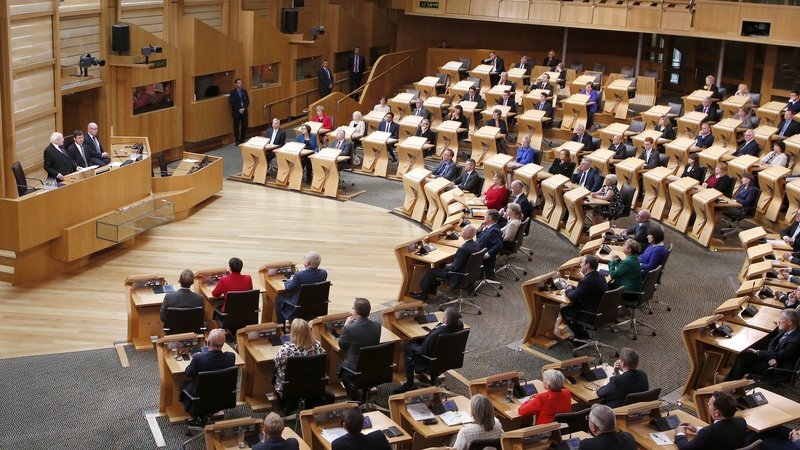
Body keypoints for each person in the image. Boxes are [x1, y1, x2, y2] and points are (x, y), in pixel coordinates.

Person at [394, 307, 464, 392]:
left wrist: (413, 346)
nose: (442, 317)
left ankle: (409, 384)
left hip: (430, 360)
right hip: (448, 358)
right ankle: (434, 377)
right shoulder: (460, 325)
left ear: (446, 321)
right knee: (423, 343)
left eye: (443, 316)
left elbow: (424, 350)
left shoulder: (436, 334)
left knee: (408, 347)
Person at [724, 309, 800, 381]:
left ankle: (728, 387)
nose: (779, 321)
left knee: (745, 362)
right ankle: (730, 384)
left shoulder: (795, 341)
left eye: (781, 319)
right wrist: (771, 356)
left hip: (778, 368)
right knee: (743, 356)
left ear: (789, 322)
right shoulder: (790, 329)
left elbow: (777, 356)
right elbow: (773, 342)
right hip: (773, 358)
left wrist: (756, 352)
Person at [179, 328, 235, 423]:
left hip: (199, 397)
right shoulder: (231, 357)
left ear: (208, 343)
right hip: (221, 396)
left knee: (183, 385)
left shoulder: (199, 359)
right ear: (223, 343)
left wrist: (196, 358)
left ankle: (197, 414)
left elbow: (188, 373)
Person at [410, 226, 480, 300]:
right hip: (468, 273)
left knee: (431, 271)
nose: (461, 229)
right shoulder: (475, 244)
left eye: (463, 230)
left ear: (467, 235)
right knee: (442, 264)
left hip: (457, 275)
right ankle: (432, 288)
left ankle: (423, 295)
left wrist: (448, 266)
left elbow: (454, 268)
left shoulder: (463, 249)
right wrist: (451, 264)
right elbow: (462, 261)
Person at [273, 318, 327, 406]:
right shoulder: (317, 345)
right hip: (312, 385)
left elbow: (276, 363)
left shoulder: (286, 349)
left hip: (289, 387)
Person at [337, 298, 381, 400]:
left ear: (355, 311)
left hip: (355, 370)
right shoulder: (377, 325)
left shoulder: (349, 328)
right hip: (372, 367)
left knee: (340, 366)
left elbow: (342, 345)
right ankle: (366, 393)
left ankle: (354, 397)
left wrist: (346, 325)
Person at [675, 391, 747, 450]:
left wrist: (680, 434)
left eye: (709, 404)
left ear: (716, 413)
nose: (707, 404)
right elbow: (719, 433)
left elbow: (685, 448)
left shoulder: (708, 433)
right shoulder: (741, 421)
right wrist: (696, 429)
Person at [561, 255, 608, 341]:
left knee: (565, 311)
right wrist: (577, 288)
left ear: (587, 265)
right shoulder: (601, 276)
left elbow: (573, 298)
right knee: (574, 306)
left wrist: (568, 290)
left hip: (591, 314)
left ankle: (582, 337)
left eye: (582, 262)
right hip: (602, 311)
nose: (580, 265)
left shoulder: (586, 281)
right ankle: (581, 335)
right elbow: (590, 290)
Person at [274, 251, 328, 324]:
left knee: (278, 299)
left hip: (298, 309)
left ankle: (280, 327)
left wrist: (289, 280)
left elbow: (288, 288)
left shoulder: (299, 276)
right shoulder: (323, 273)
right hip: (316, 308)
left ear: (307, 263)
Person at [477, 209, 504, 278]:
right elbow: (482, 237)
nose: (484, 218)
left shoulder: (493, 230)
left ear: (490, 218)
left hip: (481, 254)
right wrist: (480, 228)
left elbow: (499, 245)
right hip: (479, 248)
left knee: (462, 252)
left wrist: (487, 254)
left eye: (485, 216)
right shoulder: (491, 227)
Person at [230, 78, 250, 145]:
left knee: (244, 125)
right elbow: (232, 102)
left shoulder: (244, 91)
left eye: (241, 83)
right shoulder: (233, 92)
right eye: (239, 83)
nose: (240, 84)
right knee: (236, 126)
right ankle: (237, 140)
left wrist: (244, 108)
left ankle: (242, 138)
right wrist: (239, 109)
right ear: (236, 84)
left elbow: (247, 101)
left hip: (244, 111)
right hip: (236, 112)